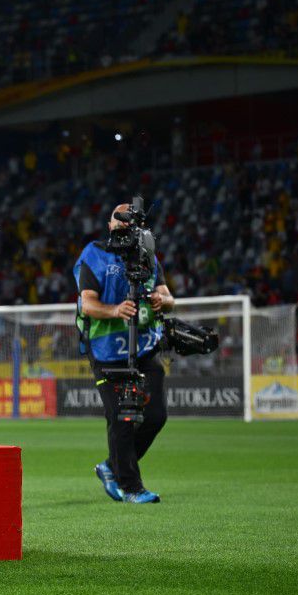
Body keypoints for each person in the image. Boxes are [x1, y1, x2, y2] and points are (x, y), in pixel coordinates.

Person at [73, 203, 175, 503]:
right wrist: (116, 310)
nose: (124, 227)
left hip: (142, 346)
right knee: (121, 418)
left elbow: (169, 297)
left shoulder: (149, 258)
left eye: (129, 222)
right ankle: (131, 487)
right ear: (109, 225)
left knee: (155, 417)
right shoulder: (94, 254)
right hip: (104, 349)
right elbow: (87, 304)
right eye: (119, 220)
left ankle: (112, 467)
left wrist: (161, 299)